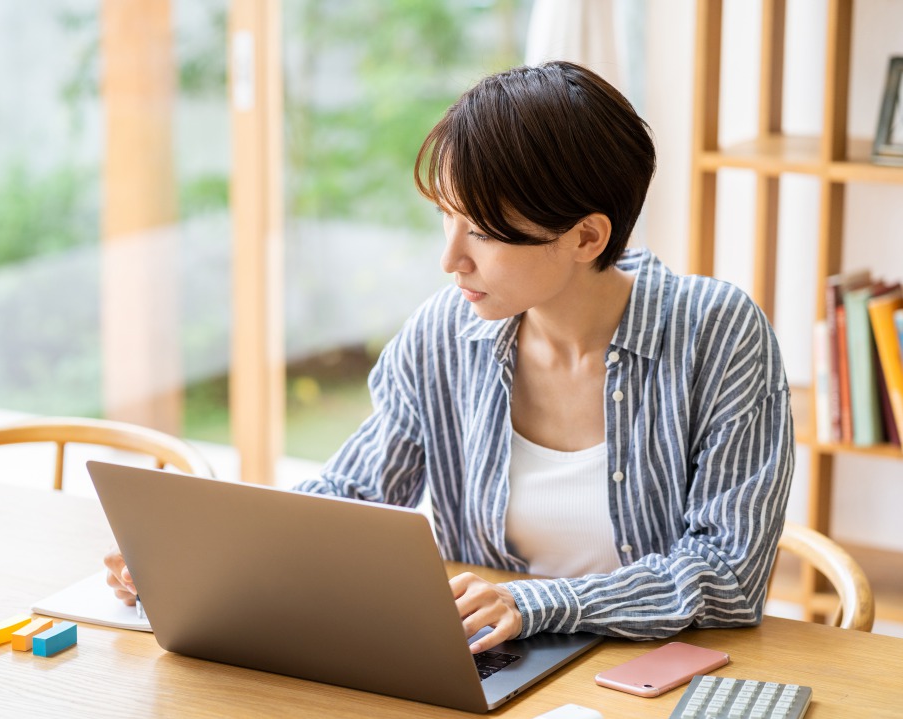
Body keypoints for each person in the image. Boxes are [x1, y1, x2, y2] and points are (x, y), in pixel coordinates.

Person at [105, 61, 794, 655]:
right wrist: (199, 561)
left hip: (660, 674)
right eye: (446, 215)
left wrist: (539, 604)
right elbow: (352, 500)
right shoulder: (445, 333)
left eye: (484, 233)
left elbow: (727, 573)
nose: (450, 259)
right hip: (497, 663)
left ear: (586, 237)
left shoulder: (719, 334)